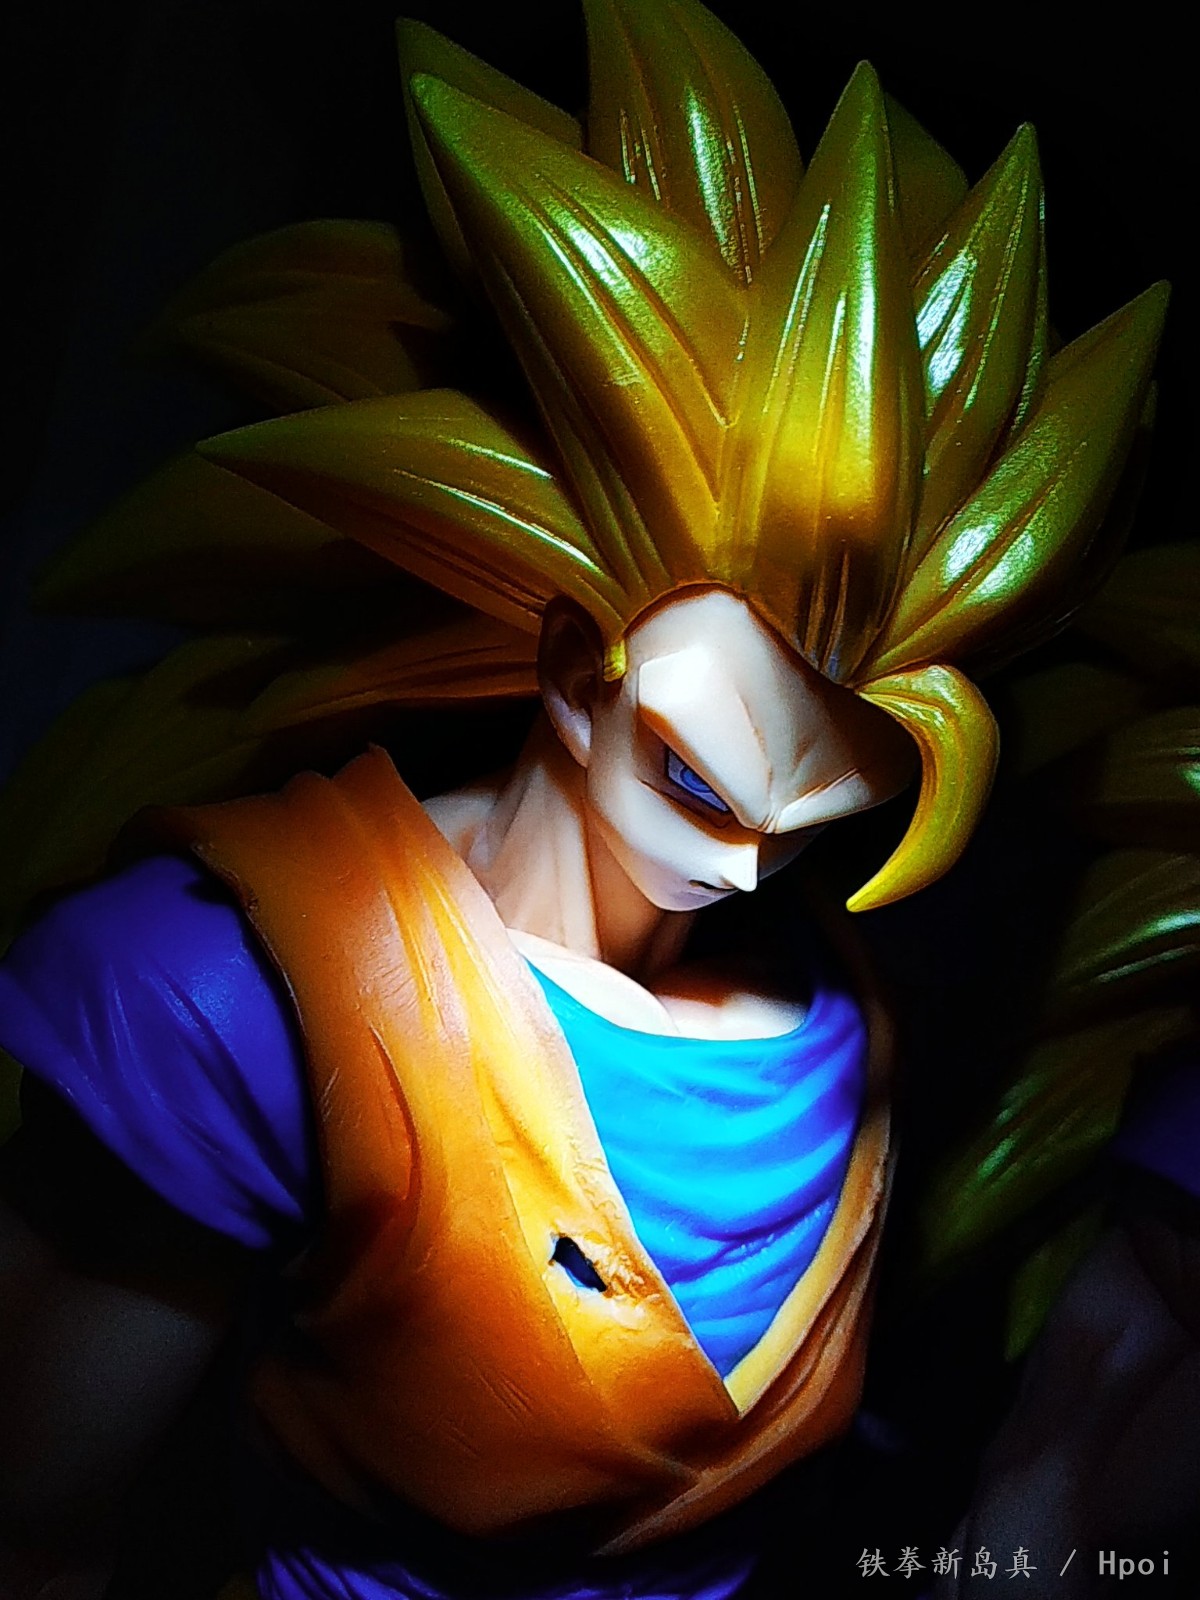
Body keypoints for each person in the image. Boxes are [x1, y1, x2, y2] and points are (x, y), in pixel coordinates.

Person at [0, 1, 1172, 1595]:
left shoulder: (842, 1012)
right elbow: (40, 1518)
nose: (747, 870)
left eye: (823, 826)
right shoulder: (244, 992)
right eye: (697, 780)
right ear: (570, 666)